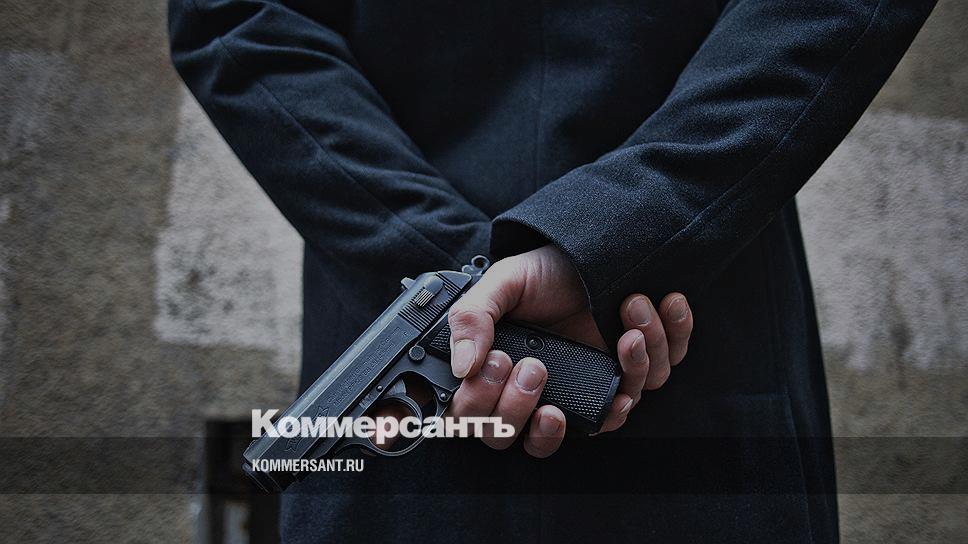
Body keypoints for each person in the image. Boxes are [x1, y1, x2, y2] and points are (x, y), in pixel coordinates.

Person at [169, 1, 934, 541]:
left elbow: (231, 19)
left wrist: (461, 278)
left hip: (622, 362)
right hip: (672, 336)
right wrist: (614, 237)